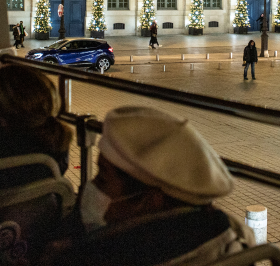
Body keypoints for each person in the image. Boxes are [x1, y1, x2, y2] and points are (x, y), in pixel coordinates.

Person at [46, 106, 253, 266]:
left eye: (103, 179)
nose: (85, 189)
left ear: (150, 199)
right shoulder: (224, 237)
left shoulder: (106, 257)